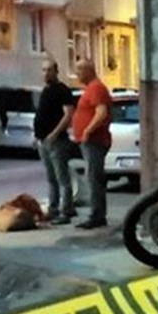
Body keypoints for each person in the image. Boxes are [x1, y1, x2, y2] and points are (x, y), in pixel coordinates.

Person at [34, 55, 78, 225]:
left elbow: (68, 114)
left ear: (56, 71)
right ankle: (53, 209)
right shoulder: (46, 90)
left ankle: (66, 211)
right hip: (43, 141)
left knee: (62, 178)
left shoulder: (62, 90)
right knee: (51, 178)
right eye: (43, 70)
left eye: (49, 70)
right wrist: (37, 136)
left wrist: (54, 133)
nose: (46, 73)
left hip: (57, 141)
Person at [70, 57, 112, 229]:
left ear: (89, 70)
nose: (77, 73)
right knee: (93, 177)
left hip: (95, 141)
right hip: (90, 141)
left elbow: (101, 112)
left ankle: (97, 215)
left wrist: (88, 130)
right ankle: (97, 214)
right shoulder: (90, 88)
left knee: (94, 178)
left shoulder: (96, 88)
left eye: (80, 69)